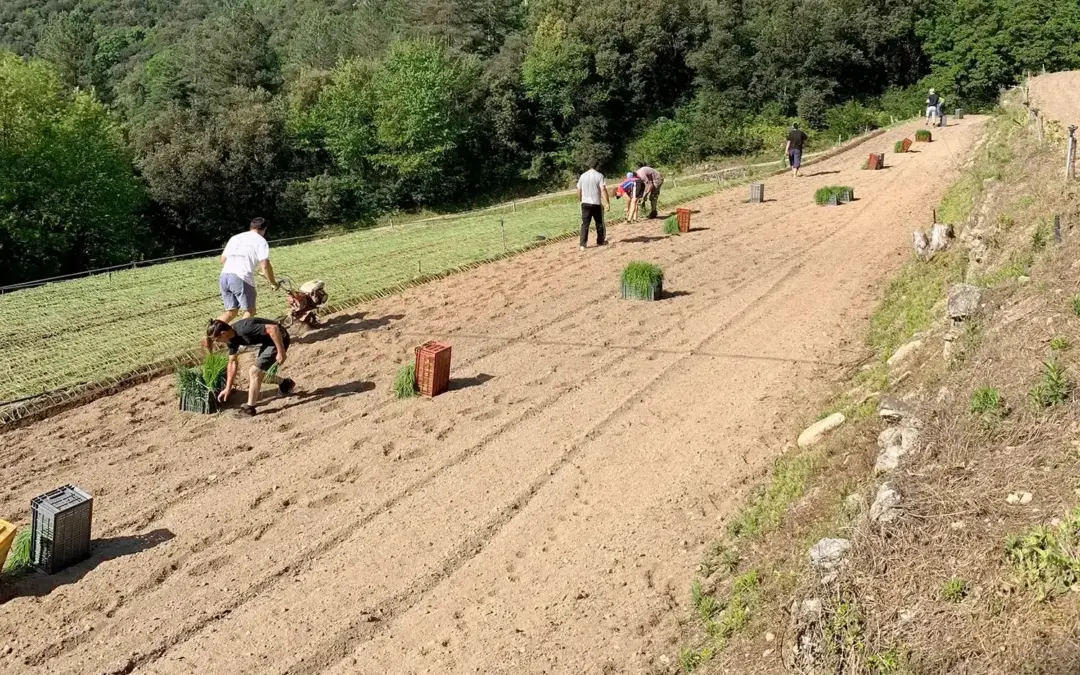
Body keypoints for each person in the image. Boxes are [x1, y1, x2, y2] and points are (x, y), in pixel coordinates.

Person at [204, 318, 295, 417]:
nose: (217, 342)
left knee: (254, 372)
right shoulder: (231, 339)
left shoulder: (245, 329)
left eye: (216, 339)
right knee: (257, 374)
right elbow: (232, 362)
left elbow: (273, 328)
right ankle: (285, 383)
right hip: (268, 341)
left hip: (279, 337)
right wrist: (228, 387)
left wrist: (281, 351)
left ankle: (249, 408)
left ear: (223, 333)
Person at [218, 217, 278, 323]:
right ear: (264, 229)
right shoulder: (261, 241)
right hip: (241, 277)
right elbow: (265, 265)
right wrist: (273, 282)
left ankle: (209, 337)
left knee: (231, 312)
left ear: (251, 227)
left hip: (224, 276)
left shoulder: (235, 238)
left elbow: (222, 260)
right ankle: (239, 336)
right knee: (250, 311)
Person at [577, 161, 610, 250]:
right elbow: (603, 190)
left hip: (585, 203)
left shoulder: (583, 176)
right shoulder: (599, 175)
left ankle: (582, 244)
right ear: (597, 166)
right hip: (596, 203)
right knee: (599, 222)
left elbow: (579, 190)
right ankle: (600, 240)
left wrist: (580, 200)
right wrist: (607, 202)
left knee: (585, 224)